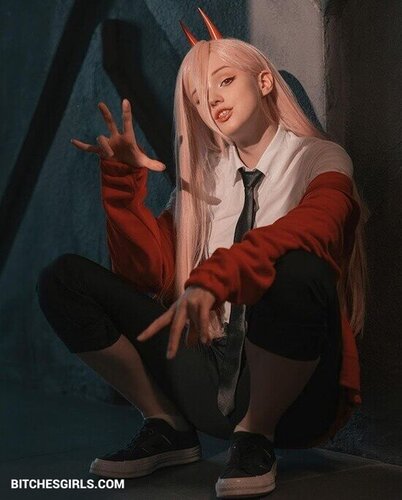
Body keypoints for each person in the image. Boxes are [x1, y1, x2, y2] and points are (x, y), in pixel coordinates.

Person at [36, 9, 369, 498]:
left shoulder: (318, 158)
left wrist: (218, 275)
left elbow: (315, 229)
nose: (211, 99)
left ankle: (256, 436)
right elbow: (147, 273)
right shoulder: (205, 178)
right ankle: (166, 423)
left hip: (297, 397)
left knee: (297, 265)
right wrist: (124, 189)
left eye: (224, 81)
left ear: (263, 82)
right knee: (63, 279)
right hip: (208, 379)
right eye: (197, 96)